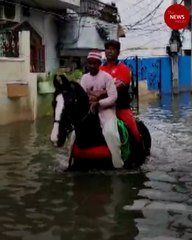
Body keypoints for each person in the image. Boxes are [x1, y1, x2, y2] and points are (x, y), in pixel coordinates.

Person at [88, 40, 142, 144]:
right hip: (101, 108)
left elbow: (117, 86)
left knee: (134, 132)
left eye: (113, 49)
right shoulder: (99, 69)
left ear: (118, 52)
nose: (109, 51)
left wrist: (101, 93)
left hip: (120, 108)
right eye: (107, 49)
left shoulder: (124, 69)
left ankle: (140, 151)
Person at [80, 49, 124, 169]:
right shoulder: (84, 78)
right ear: (87, 63)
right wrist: (89, 103)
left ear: (100, 64)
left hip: (106, 111)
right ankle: (70, 161)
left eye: (95, 63)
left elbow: (113, 97)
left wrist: (99, 103)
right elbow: (81, 97)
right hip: (89, 112)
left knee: (110, 133)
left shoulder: (107, 77)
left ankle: (117, 164)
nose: (92, 65)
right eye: (90, 63)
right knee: (74, 133)